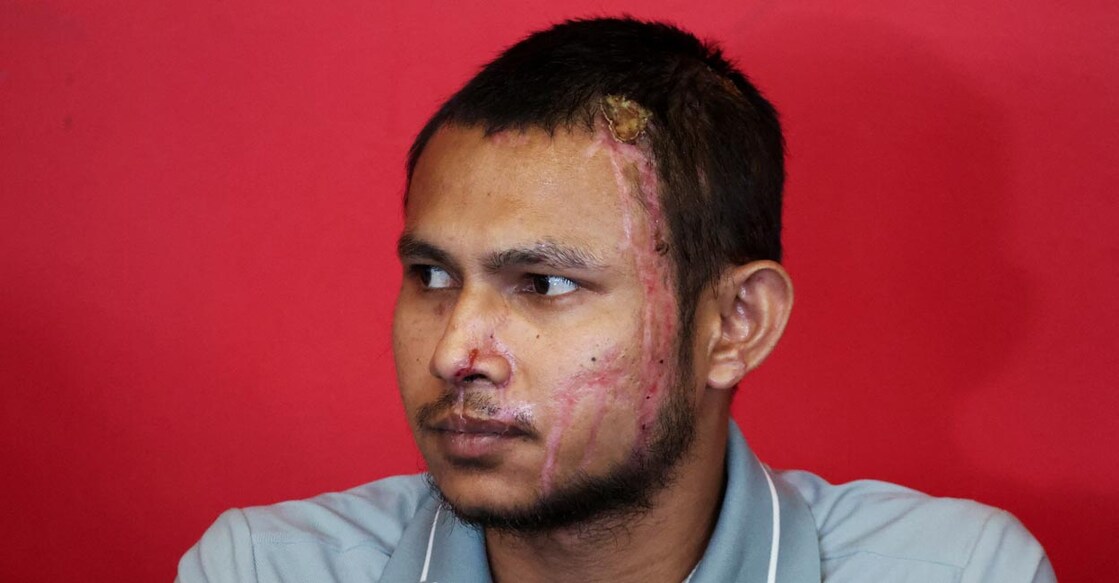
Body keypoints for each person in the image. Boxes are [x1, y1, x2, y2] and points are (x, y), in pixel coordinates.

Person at [177, 17, 1056, 583]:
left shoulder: (956, 572)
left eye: (543, 284)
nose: (453, 351)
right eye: (432, 276)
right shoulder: (263, 569)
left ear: (735, 324)